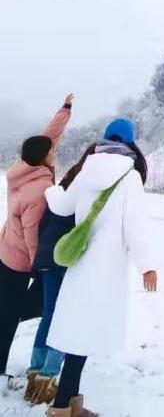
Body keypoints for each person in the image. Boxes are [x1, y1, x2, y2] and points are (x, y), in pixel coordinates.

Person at [44, 118, 157, 417]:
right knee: (83, 337)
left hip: (80, 265)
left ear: (105, 138)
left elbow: (62, 207)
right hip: (106, 271)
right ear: (130, 143)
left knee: (78, 336)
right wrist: (147, 266)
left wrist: (49, 190)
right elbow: (136, 228)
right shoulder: (129, 177)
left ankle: (69, 403)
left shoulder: (86, 170)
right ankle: (60, 408)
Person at [0, 94, 73, 393]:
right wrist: (36, 267)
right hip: (19, 261)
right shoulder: (40, 189)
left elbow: (46, 137)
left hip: (4, 249)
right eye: (51, 153)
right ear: (43, 157)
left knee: (7, 310)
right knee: (11, 315)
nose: (54, 154)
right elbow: (32, 233)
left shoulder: (21, 168)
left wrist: (64, 111)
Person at [23, 155, 85, 405]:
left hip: (47, 260)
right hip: (66, 261)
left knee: (49, 315)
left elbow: (42, 226)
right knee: (64, 317)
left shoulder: (57, 194)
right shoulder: (83, 198)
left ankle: (35, 375)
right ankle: (48, 378)